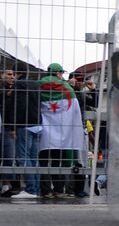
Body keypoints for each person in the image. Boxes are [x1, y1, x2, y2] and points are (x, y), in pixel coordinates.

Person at [37, 63, 85, 199]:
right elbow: (74, 109)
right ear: (58, 73)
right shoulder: (67, 87)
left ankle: (45, 190)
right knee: (58, 161)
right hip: (63, 131)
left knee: (43, 162)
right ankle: (58, 189)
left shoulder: (38, 85)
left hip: (44, 131)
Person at [1, 67, 42, 199]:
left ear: (16, 73)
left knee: (23, 157)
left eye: (13, 74)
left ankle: (30, 189)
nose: (12, 77)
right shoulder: (34, 84)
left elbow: (18, 106)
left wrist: (13, 127)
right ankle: (36, 189)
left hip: (24, 125)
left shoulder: (19, 84)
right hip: (37, 124)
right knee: (33, 159)